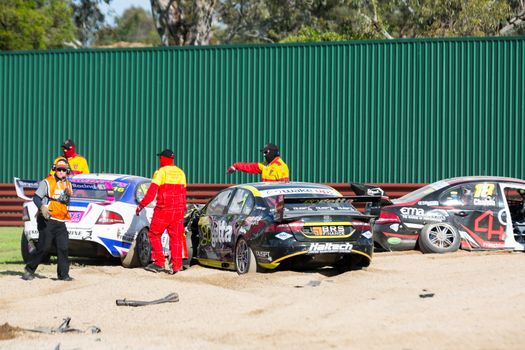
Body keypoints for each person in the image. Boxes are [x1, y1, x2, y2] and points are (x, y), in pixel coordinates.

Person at [136, 149, 187, 274]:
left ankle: (159, 262)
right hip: (179, 210)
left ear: (164, 159)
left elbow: (152, 192)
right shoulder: (181, 173)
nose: (160, 160)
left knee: (154, 234)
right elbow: (184, 193)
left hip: (164, 209)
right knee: (176, 238)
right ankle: (176, 266)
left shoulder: (161, 172)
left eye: (161, 158)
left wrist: (141, 206)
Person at [23, 157, 73, 281]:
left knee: (64, 247)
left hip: (61, 221)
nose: (61, 172)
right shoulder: (46, 182)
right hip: (47, 220)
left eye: (64, 170)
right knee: (44, 248)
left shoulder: (68, 184)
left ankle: (63, 275)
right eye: (59, 169)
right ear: (54, 169)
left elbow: (67, 201)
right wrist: (42, 208)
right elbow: (36, 198)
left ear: (67, 171)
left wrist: (66, 200)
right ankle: (29, 270)